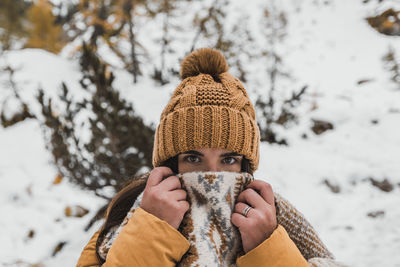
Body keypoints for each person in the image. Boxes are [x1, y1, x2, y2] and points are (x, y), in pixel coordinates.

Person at [77, 48, 344, 267]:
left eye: (229, 160)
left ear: (246, 166)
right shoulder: (128, 214)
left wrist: (268, 248)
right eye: (193, 159)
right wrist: (152, 232)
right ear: (170, 165)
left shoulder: (275, 216)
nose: (211, 177)